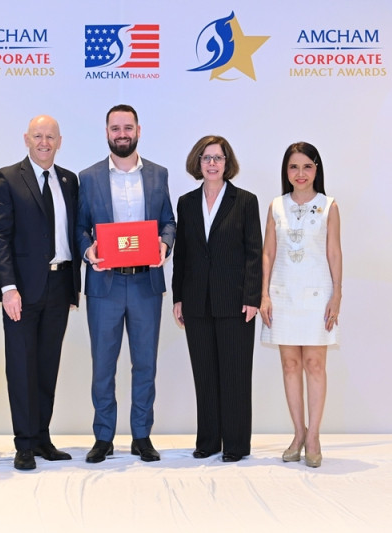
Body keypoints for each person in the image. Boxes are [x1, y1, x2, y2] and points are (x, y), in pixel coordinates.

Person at [77, 104, 176, 464]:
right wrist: (88, 250)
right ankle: (103, 437)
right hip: (105, 284)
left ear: (138, 130)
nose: (122, 134)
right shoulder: (88, 177)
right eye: (115, 128)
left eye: (128, 127)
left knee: (145, 363)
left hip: (145, 283)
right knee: (103, 365)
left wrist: (165, 244)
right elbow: (79, 227)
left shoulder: (158, 174)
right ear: (107, 133)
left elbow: (168, 222)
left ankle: (141, 436)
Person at [0, 115, 81, 471]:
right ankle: (24, 443)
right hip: (22, 291)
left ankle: (42, 438)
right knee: (22, 366)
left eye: (51, 137)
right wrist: (8, 288)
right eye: (38, 136)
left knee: (47, 365)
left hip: (60, 285)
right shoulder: (7, 178)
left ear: (60, 141)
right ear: (26, 139)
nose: (44, 142)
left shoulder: (69, 180)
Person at [172, 135, 263, 462]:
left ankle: (236, 444)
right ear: (198, 163)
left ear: (228, 163)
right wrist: (178, 297)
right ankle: (209, 441)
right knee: (205, 374)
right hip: (196, 302)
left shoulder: (245, 201)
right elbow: (181, 255)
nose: (212, 163)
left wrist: (252, 297)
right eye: (206, 158)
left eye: (218, 158)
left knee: (235, 375)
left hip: (236, 303)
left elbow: (255, 252)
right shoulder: (186, 202)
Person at [260, 141, 342, 468]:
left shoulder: (328, 206)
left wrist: (337, 294)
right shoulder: (276, 206)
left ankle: (314, 437)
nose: (300, 173)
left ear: (316, 169)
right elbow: (268, 252)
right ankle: (298, 433)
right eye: (294, 167)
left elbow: (334, 252)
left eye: (307, 166)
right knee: (290, 365)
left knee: (315, 364)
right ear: (286, 171)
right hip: (282, 295)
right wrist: (264, 294)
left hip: (317, 295)